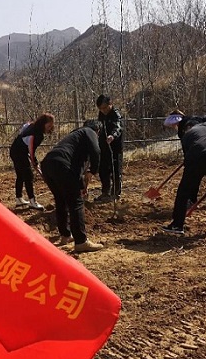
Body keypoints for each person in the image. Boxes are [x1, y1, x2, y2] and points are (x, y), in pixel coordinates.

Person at [40, 120, 104, 253]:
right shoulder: (89, 131)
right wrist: (93, 171)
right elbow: (96, 151)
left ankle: (65, 235)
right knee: (76, 203)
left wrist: (82, 185)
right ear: (97, 131)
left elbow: (75, 169)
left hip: (47, 164)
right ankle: (81, 241)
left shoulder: (74, 137)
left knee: (61, 200)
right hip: (62, 165)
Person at [9, 113, 55, 210]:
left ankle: (19, 199)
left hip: (14, 150)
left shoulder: (31, 125)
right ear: (43, 123)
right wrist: (34, 162)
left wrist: (33, 160)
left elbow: (24, 134)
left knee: (20, 175)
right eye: (49, 126)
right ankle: (33, 201)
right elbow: (31, 148)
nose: (50, 128)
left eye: (51, 126)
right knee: (28, 176)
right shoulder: (37, 134)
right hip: (19, 153)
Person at [95, 94, 123, 203]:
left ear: (110, 104)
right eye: (101, 109)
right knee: (103, 170)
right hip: (103, 146)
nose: (103, 110)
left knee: (115, 170)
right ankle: (105, 192)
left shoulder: (116, 114)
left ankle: (115, 193)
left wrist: (113, 135)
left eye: (105, 108)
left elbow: (118, 127)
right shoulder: (101, 114)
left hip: (115, 147)